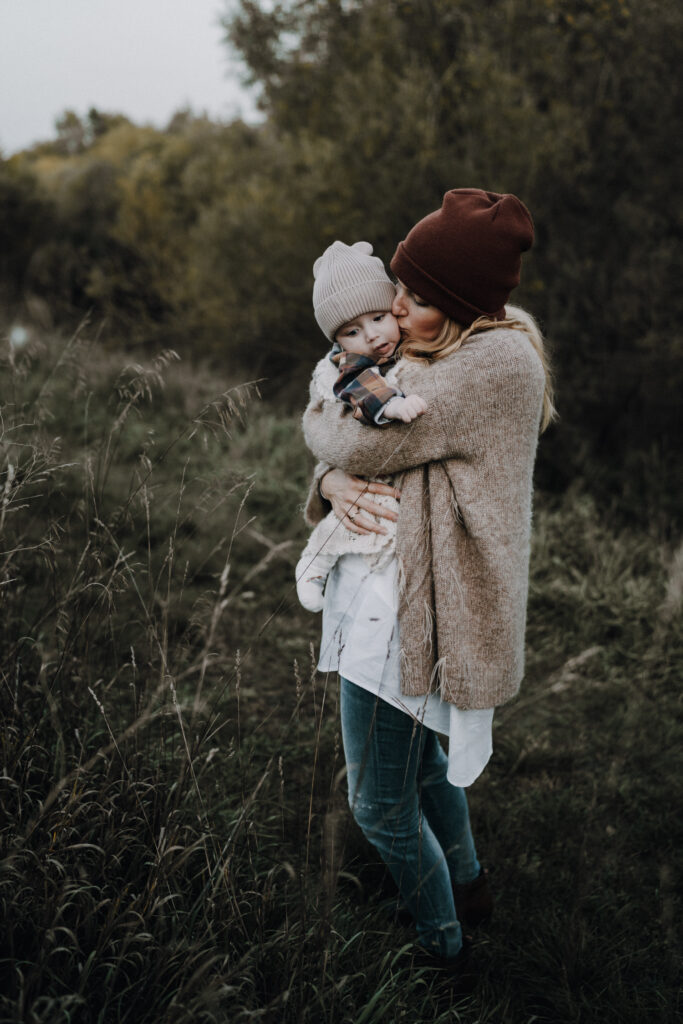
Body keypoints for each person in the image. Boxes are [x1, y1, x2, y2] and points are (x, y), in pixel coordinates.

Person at [301, 188, 555, 974]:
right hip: (402, 595)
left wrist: (325, 453)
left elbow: (357, 440)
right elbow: (350, 440)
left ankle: (441, 948)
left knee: (377, 804)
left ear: (451, 301)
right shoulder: (441, 349)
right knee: (421, 768)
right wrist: (329, 481)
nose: (393, 308)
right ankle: (468, 885)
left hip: (406, 615)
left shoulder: (490, 363)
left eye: (408, 296)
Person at [296, 239, 427, 612]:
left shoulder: (412, 349)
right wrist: (394, 406)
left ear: (394, 309)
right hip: (366, 483)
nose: (370, 336)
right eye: (351, 331)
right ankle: (313, 564)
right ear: (336, 342)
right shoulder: (348, 365)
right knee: (341, 525)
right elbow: (360, 388)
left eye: (378, 318)